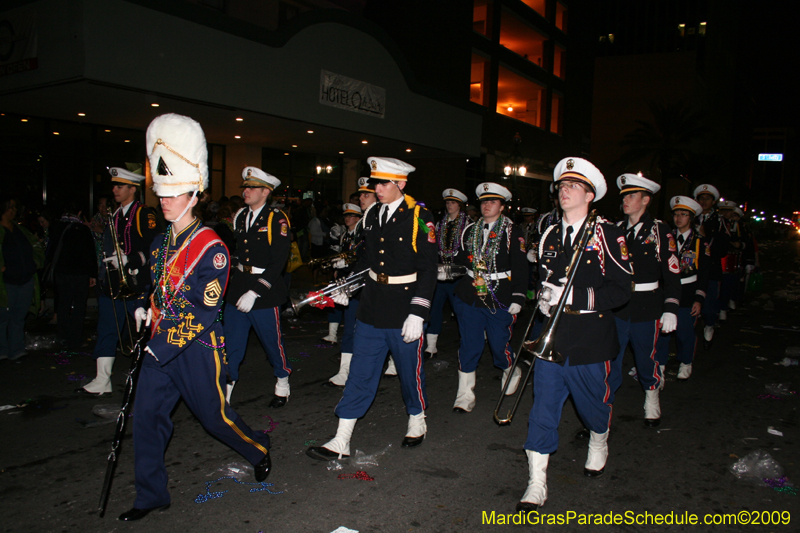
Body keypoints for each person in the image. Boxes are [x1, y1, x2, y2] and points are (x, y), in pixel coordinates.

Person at [119, 113, 271, 522]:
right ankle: (151, 495)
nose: (165, 201)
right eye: (162, 194)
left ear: (194, 195)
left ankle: (257, 448)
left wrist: (158, 345)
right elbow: (160, 289)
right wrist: (143, 305)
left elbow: (202, 311)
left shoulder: (212, 247)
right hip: (159, 346)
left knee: (214, 417)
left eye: (174, 194)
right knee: (147, 417)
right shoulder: (160, 241)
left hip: (196, 347)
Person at [518, 157, 631, 512]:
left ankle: (599, 438)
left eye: (572, 187)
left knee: (592, 405)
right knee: (542, 408)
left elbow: (622, 289)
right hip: (553, 333)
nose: (563, 191)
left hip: (590, 335)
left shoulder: (608, 234)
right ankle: (537, 482)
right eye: (561, 186)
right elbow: (544, 278)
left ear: (589, 195)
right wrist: (546, 297)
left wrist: (574, 295)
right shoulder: (550, 232)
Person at [306, 157, 437, 460]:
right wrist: (348, 287)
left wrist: (419, 311)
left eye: (383, 183)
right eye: (374, 182)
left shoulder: (419, 216)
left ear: (401, 184)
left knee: (408, 371)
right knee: (361, 373)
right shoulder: (372, 215)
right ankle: (342, 438)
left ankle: (417, 419)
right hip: (372, 305)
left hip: (404, 307)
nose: (376, 188)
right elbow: (367, 260)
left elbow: (428, 269)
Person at [77, 167, 160, 396]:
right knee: (107, 328)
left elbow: (155, 247)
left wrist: (130, 259)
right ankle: (102, 379)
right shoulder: (114, 215)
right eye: (114, 186)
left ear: (132, 189)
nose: (114, 190)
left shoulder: (144, 214)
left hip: (136, 282)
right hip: (114, 282)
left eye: (119, 186)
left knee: (142, 332)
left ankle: (148, 377)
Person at [449, 183, 527, 412]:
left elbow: (521, 267)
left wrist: (519, 297)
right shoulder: (470, 230)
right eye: (484, 201)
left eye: (492, 201)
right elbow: (463, 261)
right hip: (470, 295)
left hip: (499, 294)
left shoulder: (513, 232)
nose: (486, 205)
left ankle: (510, 367)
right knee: (469, 343)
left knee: (498, 342)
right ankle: (465, 395)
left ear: (502, 207)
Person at [611, 173, 680, 427]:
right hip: (617, 305)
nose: (626, 200)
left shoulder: (660, 230)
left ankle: (651, 395)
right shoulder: (615, 230)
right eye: (624, 196)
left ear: (646, 200)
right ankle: (604, 405)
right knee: (610, 357)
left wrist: (671, 307)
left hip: (647, 305)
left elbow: (672, 272)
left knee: (644, 356)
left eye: (632, 195)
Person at [223, 166, 292, 406]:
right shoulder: (240, 216)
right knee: (231, 340)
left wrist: (255, 292)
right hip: (239, 285)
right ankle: (227, 387)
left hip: (264, 291)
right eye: (245, 187)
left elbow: (278, 262)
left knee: (271, 342)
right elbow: (240, 253)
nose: (246, 191)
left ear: (265, 192)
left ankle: (282, 380)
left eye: (252, 187)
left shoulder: (276, 218)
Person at [655, 196, 710, 381]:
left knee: (684, 332)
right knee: (662, 331)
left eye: (684, 214)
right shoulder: (665, 239)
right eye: (676, 214)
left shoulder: (699, 242)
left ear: (691, 218)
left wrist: (699, 298)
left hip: (687, 292)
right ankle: (660, 365)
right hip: (667, 291)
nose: (679, 218)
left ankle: (686, 362)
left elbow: (704, 274)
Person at [426, 188, 469, 358]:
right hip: (440, 273)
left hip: (458, 275)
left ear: (460, 205)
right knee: (434, 307)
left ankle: (467, 342)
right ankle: (431, 346)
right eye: (448, 202)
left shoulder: (468, 225)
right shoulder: (440, 224)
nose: (450, 205)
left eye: (453, 202)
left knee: (461, 311)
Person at [326, 202, 365, 386]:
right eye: (346, 216)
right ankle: (344, 371)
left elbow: (363, 260)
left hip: (363, 286)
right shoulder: (345, 235)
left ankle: (392, 361)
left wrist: (347, 266)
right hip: (349, 284)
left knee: (377, 330)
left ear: (358, 218)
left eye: (351, 216)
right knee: (349, 328)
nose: (347, 219)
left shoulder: (363, 234)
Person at [1, 196, 44, 361]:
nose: (13, 210)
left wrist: (34, 263)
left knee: (19, 316)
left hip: (25, 278)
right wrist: (4, 269)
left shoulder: (20, 230)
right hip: (7, 281)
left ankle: (17, 349)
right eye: (9, 207)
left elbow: (36, 247)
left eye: (14, 207)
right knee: (3, 317)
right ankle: (3, 350)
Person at [49, 203, 97, 350]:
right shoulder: (82, 229)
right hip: (80, 273)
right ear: (79, 212)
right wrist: (92, 274)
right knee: (79, 306)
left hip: (61, 272)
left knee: (63, 304)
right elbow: (90, 253)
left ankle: (62, 337)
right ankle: (75, 339)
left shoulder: (56, 228)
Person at [693, 184, 729, 349]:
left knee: (708, 304)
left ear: (713, 202)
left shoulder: (720, 222)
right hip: (692, 268)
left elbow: (722, 249)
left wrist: (706, 237)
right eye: (701, 198)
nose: (704, 201)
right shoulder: (691, 217)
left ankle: (709, 323)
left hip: (711, 269)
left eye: (707, 198)